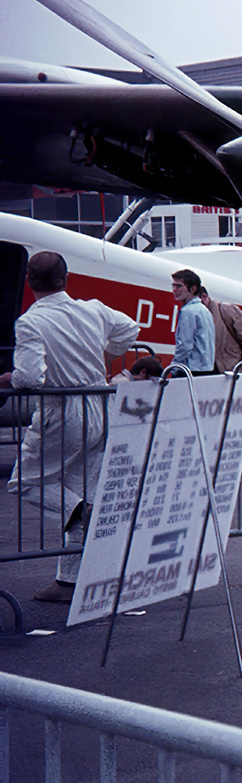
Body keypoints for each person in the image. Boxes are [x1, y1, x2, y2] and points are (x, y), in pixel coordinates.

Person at [0, 252, 139, 602]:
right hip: (100, 406)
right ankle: (69, 581)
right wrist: (105, 356)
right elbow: (129, 329)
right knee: (80, 486)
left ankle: (82, 512)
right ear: (67, 279)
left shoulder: (31, 322)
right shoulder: (91, 309)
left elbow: (30, 376)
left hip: (62, 412)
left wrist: (9, 379)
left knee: (25, 483)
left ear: (29, 281)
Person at [201, 286, 242, 372]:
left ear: (204, 297)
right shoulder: (197, 316)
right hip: (209, 369)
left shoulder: (226, 310)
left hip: (231, 369)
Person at [171, 269, 215, 373]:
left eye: (179, 286)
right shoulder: (204, 310)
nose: (174, 290)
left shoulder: (188, 311)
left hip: (191, 369)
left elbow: (185, 345)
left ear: (192, 289)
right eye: (173, 286)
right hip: (206, 367)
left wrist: (174, 367)